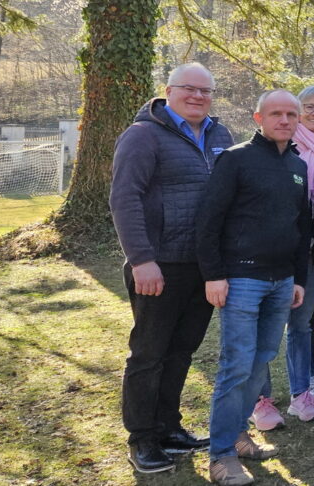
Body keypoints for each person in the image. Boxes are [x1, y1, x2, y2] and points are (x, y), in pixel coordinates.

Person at [111, 62, 234, 474]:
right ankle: (142, 438)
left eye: (206, 91)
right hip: (159, 265)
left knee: (182, 351)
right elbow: (124, 199)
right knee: (149, 353)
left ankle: (169, 427)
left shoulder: (220, 135)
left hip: (202, 264)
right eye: (189, 89)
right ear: (169, 91)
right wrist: (142, 259)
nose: (198, 96)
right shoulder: (143, 135)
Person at [195, 90, 311, 486]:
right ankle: (221, 455)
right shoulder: (236, 158)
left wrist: (299, 279)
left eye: (291, 114)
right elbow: (209, 220)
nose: (284, 120)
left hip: (282, 282)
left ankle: (239, 435)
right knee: (237, 364)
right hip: (242, 279)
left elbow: (301, 228)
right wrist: (213, 274)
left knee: (262, 358)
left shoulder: (297, 165)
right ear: (258, 117)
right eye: (276, 113)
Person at [254, 86, 314, 429]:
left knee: (301, 323)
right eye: (309, 107)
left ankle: (302, 392)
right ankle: (261, 398)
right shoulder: (276, 149)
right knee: (265, 326)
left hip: (309, 249)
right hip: (266, 253)